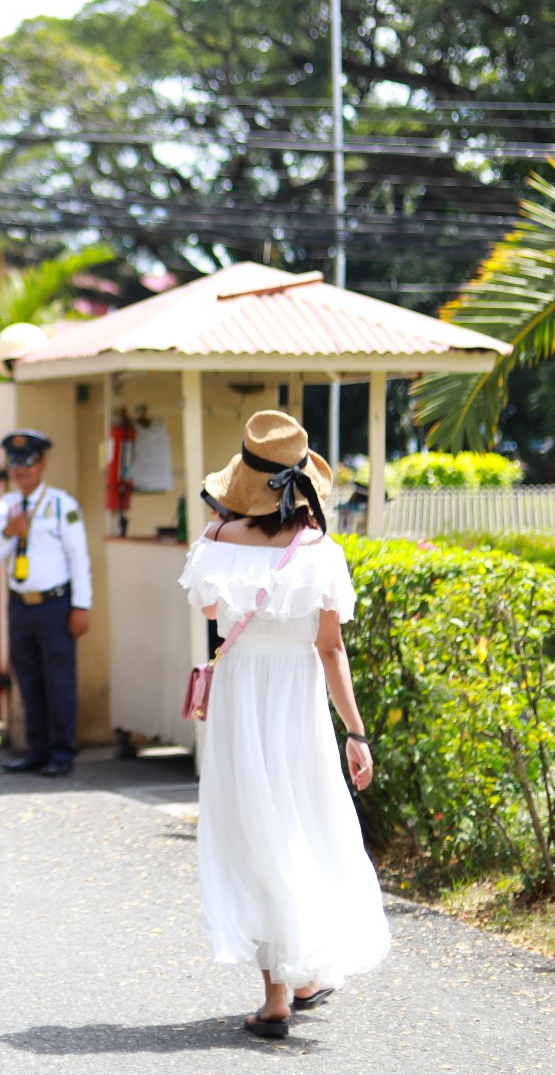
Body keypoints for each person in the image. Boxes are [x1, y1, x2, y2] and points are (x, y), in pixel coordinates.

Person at [179, 410, 389, 1039]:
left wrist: (221, 528)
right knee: (300, 822)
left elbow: (214, 613)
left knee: (253, 831)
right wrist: (354, 732)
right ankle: (300, 975)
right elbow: (331, 651)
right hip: (296, 700)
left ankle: (279, 994)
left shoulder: (217, 544)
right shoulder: (322, 553)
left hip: (243, 697)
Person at [0, 429, 92, 778]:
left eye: (28, 464)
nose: (21, 472)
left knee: (58, 681)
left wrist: (81, 606)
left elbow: (79, 559)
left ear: (41, 466)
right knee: (28, 680)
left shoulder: (62, 504)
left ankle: (61, 753)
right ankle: (37, 749)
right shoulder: (7, 507)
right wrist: (8, 532)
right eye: (15, 465)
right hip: (21, 606)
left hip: (55, 605)